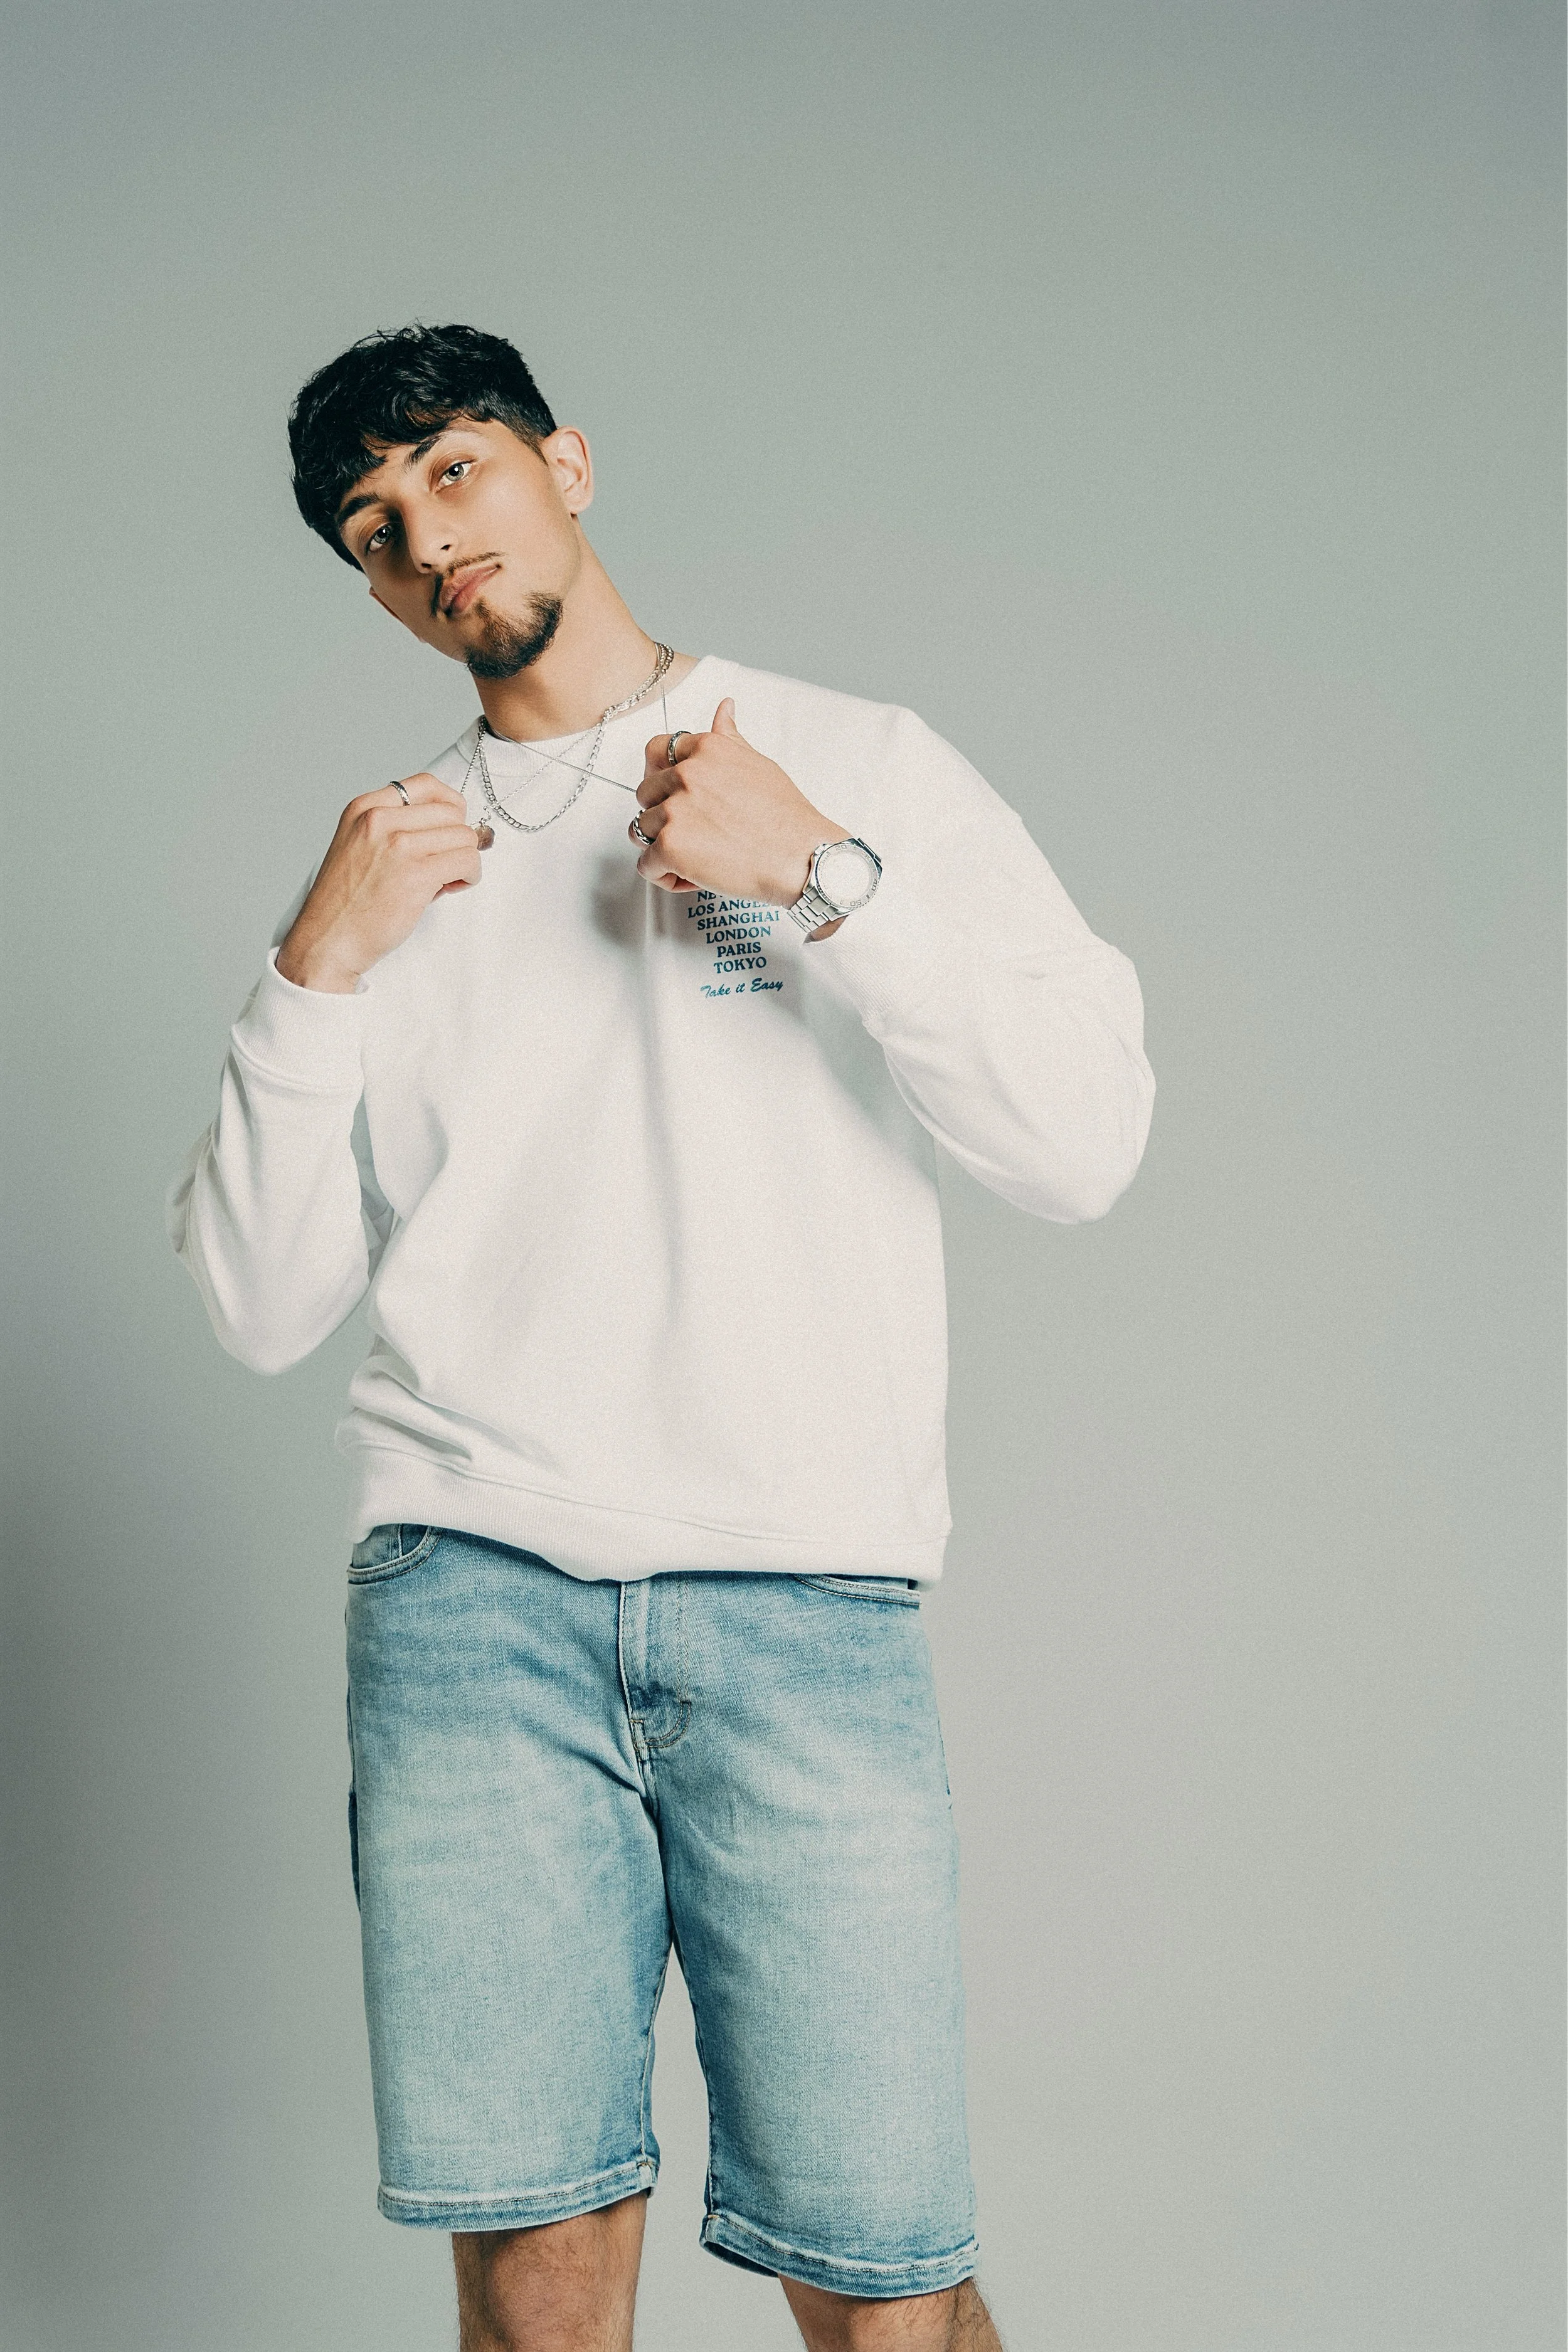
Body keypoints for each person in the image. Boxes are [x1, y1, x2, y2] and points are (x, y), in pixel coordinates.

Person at [167, 322, 1155, 2352]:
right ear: (367, 588)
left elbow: (1081, 1144)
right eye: (374, 525)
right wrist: (310, 970)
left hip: (798, 1597)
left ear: (567, 466)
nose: (427, 537)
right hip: (472, 1606)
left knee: (884, 2286)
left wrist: (821, 878)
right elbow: (257, 1305)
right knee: (539, 2294)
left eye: (454, 471)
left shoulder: (846, 760)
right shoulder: (392, 865)